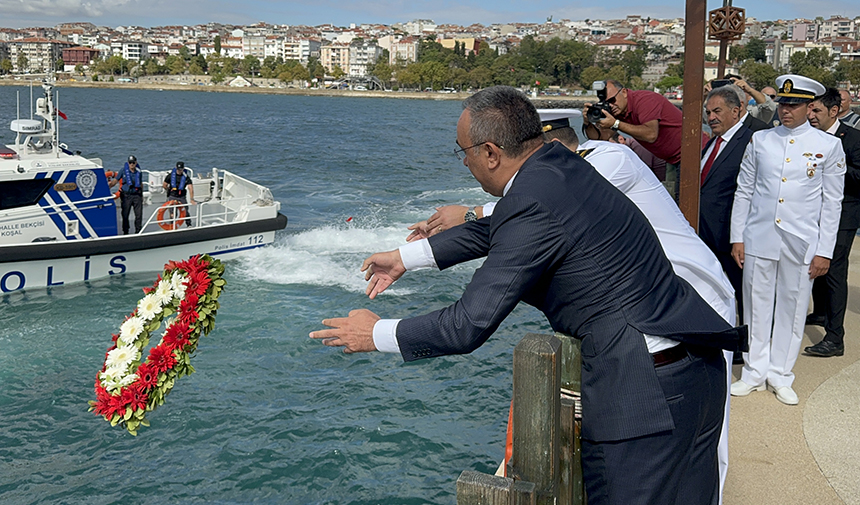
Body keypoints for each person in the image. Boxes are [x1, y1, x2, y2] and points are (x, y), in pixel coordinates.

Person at [311, 87, 746, 504]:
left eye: (463, 152)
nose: (464, 164)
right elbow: (497, 226)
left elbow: (468, 324)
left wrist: (377, 333)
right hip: (695, 370)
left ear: (491, 153)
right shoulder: (559, 166)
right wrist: (409, 257)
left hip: (642, 394)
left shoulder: (532, 201)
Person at [730, 75, 846, 405]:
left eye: (793, 105)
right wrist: (737, 236)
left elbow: (831, 202)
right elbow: (746, 190)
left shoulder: (828, 145)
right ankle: (754, 371)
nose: (785, 110)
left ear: (810, 106)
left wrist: (825, 251)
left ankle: (781, 373)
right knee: (755, 304)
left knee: (792, 308)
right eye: (782, 103)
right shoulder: (761, 140)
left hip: (801, 240)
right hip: (760, 234)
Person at [804, 87, 860, 357]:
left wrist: (834, 168)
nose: (811, 115)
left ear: (834, 111)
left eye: (816, 111)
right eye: (809, 110)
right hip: (812, 215)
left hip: (843, 216)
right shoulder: (807, 138)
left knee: (834, 272)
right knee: (816, 267)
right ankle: (820, 312)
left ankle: (835, 338)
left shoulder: (852, 139)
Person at [582, 79, 707, 199]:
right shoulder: (617, 112)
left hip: (696, 153)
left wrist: (616, 124)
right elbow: (600, 139)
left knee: (688, 203)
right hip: (673, 159)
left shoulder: (644, 100)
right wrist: (588, 123)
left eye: (612, 100)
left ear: (624, 92)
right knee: (675, 201)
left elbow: (651, 135)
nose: (611, 105)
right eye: (606, 102)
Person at [700, 86, 755, 327]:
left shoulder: (752, 140)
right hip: (705, 234)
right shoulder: (712, 143)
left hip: (731, 237)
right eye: (708, 112)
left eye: (717, 111)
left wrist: (739, 238)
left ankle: (745, 341)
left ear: (736, 111)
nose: (711, 117)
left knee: (741, 293)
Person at [109, 155, 144, 234]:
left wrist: (141, 195)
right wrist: (109, 187)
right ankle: (125, 231)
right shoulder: (123, 171)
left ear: (136, 163)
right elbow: (115, 181)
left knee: (138, 215)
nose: (132, 164)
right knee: (125, 215)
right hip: (126, 196)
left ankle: (138, 230)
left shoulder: (138, 172)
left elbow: (141, 184)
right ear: (128, 163)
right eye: (130, 162)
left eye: (133, 162)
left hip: (136, 195)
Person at [162, 161, 195, 227]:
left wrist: (192, 199)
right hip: (172, 195)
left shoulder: (186, 177)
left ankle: (189, 224)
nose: (180, 171)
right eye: (178, 169)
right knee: (172, 213)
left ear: (183, 169)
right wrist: (168, 189)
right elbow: (165, 184)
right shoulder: (170, 176)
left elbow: (190, 188)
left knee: (185, 211)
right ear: (176, 168)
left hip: (181, 196)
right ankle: (172, 225)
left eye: (181, 169)